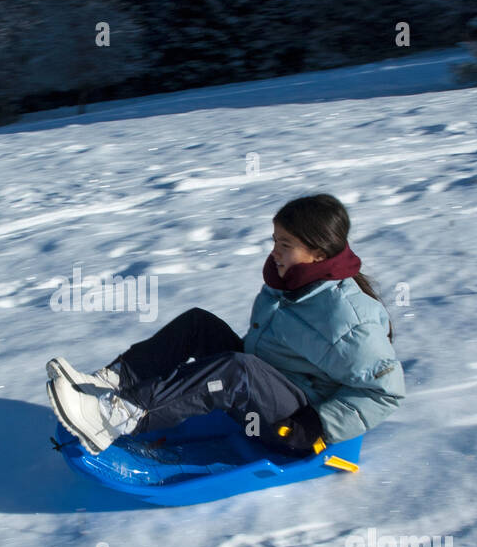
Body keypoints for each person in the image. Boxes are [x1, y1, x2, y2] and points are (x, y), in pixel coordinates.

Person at [46, 193, 405, 456]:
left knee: (237, 370)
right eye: (274, 241)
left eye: (286, 244)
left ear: (319, 254)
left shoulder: (347, 318)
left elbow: (384, 392)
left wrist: (318, 426)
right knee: (197, 324)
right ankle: (111, 383)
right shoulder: (290, 286)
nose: (275, 252)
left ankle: (114, 418)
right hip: (265, 391)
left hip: (293, 426)